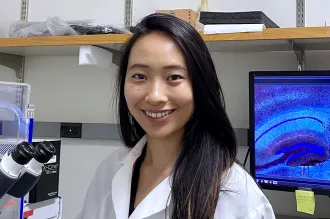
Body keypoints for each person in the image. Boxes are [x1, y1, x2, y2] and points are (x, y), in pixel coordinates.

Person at [75, 13, 276, 219]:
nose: (155, 96)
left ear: (200, 87)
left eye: (174, 77)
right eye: (139, 76)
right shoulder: (109, 170)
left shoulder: (238, 195)